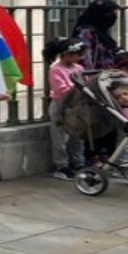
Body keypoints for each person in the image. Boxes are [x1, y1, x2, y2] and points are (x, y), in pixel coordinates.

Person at [47, 38, 89, 181]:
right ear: (66, 54)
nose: (81, 58)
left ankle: (78, 162)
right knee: (60, 137)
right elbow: (60, 90)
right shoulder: (55, 69)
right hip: (62, 105)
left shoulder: (79, 68)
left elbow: (85, 81)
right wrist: (79, 88)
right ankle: (61, 165)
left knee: (77, 136)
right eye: (78, 55)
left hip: (77, 105)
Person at [72, 0, 121, 70]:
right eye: (110, 14)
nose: (113, 17)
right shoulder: (86, 32)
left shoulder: (101, 31)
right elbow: (85, 58)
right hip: (97, 76)